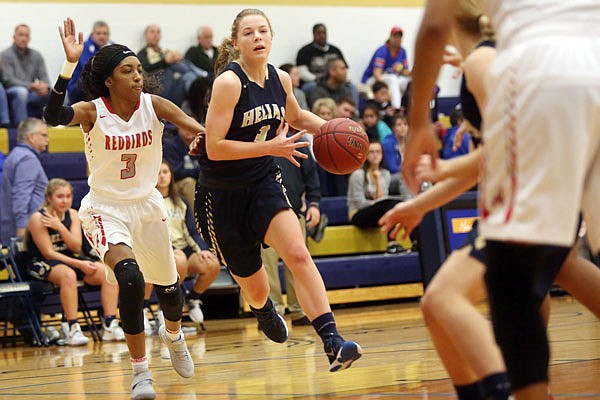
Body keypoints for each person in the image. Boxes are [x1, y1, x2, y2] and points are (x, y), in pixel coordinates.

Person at [402, 1, 600, 398]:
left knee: (508, 276)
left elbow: (432, 27)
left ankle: (508, 389)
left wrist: (419, 123)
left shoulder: (485, 62)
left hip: (547, 73)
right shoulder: (485, 57)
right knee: (550, 268)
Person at [192, 8, 361, 372]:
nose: (257, 37)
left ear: (271, 37)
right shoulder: (228, 83)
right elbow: (215, 146)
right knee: (255, 287)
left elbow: (297, 117)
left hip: (263, 181)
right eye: (249, 32)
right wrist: (269, 147)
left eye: (263, 31)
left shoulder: (280, 79)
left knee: (298, 253)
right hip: (221, 194)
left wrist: (338, 129)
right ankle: (262, 308)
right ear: (236, 42)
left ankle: (332, 341)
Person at [44, 18, 204, 399]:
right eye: (126, 71)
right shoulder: (93, 112)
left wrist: (204, 139)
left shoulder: (154, 105)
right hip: (105, 207)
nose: (136, 77)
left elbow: (193, 126)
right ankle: (140, 373)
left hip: (147, 205)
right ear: (109, 81)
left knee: (170, 291)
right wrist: (69, 65)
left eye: (138, 70)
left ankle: (174, 336)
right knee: (131, 280)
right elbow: (53, 117)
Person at [24, 178, 124, 346]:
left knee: (107, 272)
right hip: (41, 261)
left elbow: (76, 247)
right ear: (49, 198)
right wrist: (79, 264)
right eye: (60, 196)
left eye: (68, 196)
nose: (65, 200)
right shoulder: (38, 218)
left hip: (69, 258)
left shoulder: (72, 214)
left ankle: (109, 323)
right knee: (68, 275)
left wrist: (60, 227)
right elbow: (48, 253)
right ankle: (72, 328)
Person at [151, 159, 220, 327]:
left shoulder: (181, 202)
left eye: (165, 172)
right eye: (158, 173)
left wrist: (202, 250)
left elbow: (191, 231)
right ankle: (165, 306)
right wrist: (171, 249)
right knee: (178, 261)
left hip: (183, 248)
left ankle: (193, 298)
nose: (162, 176)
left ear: (171, 175)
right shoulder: (150, 203)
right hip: (161, 251)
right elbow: (152, 233)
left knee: (212, 264)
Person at [261, 134, 320, 326]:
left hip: (294, 212)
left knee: (297, 262)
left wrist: (314, 204)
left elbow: (311, 177)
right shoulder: (257, 142)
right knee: (267, 266)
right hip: (263, 214)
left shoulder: (298, 142)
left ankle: (299, 309)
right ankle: (274, 313)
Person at [347, 141, 408, 254]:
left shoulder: (385, 174)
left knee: (398, 204)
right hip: (358, 215)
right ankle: (391, 243)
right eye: (371, 152)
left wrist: (378, 181)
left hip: (377, 214)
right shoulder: (358, 174)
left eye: (378, 152)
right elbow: (360, 203)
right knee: (389, 204)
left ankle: (415, 243)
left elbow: (382, 199)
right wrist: (376, 203)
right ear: (365, 155)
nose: (375, 155)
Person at [0, 117, 48, 245]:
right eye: (44, 135)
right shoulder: (27, 158)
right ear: (31, 137)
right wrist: (22, 230)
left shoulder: (16, 154)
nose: (47, 140)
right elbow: (21, 196)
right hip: (26, 230)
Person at [138, 24, 209, 108]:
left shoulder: (164, 52)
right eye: (152, 32)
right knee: (173, 63)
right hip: (160, 88)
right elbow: (146, 69)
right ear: (146, 35)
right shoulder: (142, 54)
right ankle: (202, 74)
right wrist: (166, 61)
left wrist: (176, 57)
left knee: (188, 75)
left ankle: (199, 79)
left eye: (158, 32)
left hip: (174, 85)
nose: (155, 35)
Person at [0, 24, 50, 126]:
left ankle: (50, 123)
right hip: (11, 91)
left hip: (32, 92)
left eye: (26, 36)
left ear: (29, 38)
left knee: (54, 92)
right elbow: (8, 80)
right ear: (14, 37)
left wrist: (44, 86)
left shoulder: (36, 55)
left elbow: (44, 77)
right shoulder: (5, 54)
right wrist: (31, 85)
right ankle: (21, 126)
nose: (24, 38)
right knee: (21, 92)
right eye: (21, 35)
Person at [361, 26, 411, 111]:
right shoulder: (383, 50)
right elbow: (377, 73)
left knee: (410, 81)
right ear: (390, 37)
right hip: (371, 79)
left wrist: (414, 72)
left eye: (399, 37)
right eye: (395, 36)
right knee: (392, 78)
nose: (397, 39)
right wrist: (384, 89)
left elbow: (405, 71)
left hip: (391, 79)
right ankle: (396, 108)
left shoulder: (402, 51)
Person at [67, 21, 111, 104]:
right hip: (79, 88)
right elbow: (88, 68)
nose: (102, 36)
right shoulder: (83, 47)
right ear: (92, 34)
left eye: (105, 34)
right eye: (98, 33)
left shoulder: (112, 47)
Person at [296, 23, 347, 93]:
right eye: (319, 33)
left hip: (335, 80)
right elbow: (302, 72)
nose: (322, 36)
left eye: (324, 33)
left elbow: (344, 68)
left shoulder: (335, 50)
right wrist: (317, 79)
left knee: (350, 86)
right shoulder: (305, 51)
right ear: (314, 34)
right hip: (315, 81)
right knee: (309, 87)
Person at [163, 125, 202, 209]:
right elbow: (176, 172)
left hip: (198, 179)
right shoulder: (171, 145)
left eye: (191, 127)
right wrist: (197, 171)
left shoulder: (200, 143)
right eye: (185, 126)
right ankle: (195, 219)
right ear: (178, 128)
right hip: (176, 183)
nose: (189, 130)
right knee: (189, 182)